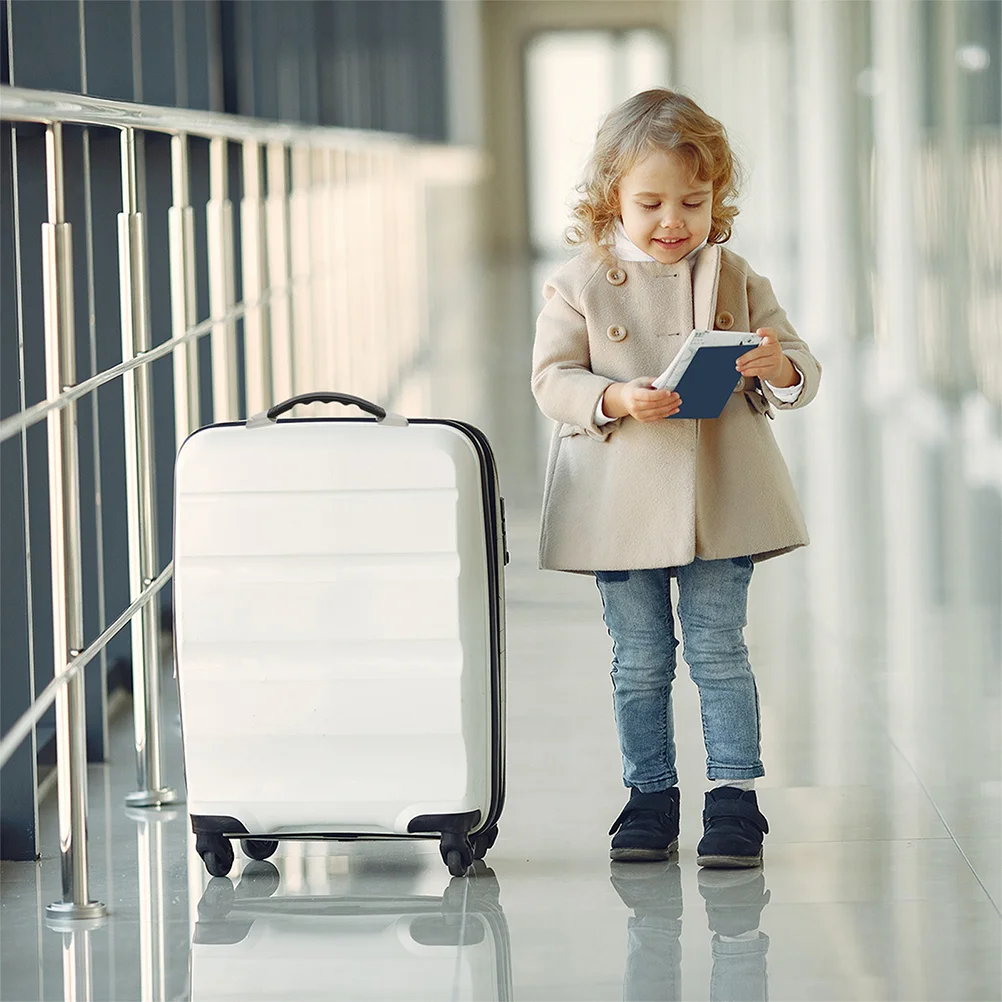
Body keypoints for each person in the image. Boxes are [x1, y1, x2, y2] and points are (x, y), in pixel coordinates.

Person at [530, 88, 820, 867]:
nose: (673, 222)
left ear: (715, 200)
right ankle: (649, 795)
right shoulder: (579, 283)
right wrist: (614, 396)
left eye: (692, 202)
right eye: (650, 202)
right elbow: (551, 378)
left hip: (718, 497)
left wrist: (778, 365)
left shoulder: (734, 274)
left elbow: (800, 365)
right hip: (619, 500)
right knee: (640, 658)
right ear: (609, 202)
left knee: (720, 649)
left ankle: (734, 800)